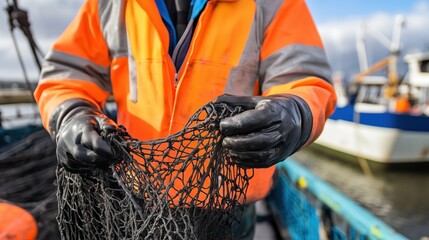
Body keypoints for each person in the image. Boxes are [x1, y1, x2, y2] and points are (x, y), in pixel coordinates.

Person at [34, 0, 336, 238]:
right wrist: (71, 115)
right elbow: (66, 76)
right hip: (136, 201)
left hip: (229, 208)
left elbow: (306, 81)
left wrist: (293, 113)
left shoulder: (272, 3)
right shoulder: (111, 4)